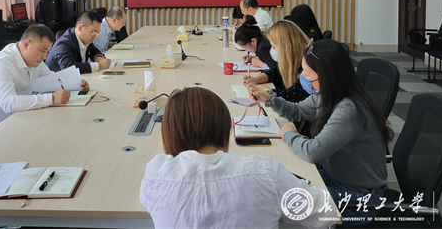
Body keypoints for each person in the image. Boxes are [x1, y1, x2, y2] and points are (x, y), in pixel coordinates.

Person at [140, 87, 336, 229]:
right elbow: (327, 213)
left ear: (171, 134)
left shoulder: (155, 174)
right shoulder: (264, 171)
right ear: (223, 128)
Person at [248, 39, 393, 227]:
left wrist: (289, 134)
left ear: (326, 76)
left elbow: (312, 152)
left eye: (307, 74)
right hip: (332, 179)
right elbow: (297, 111)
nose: (302, 77)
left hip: (358, 199)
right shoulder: (328, 94)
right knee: (273, 187)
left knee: (275, 201)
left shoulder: (348, 109)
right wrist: (270, 99)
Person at [0, 24, 88, 132]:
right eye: (43, 51)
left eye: (47, 52)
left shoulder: (35, 60)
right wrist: (51, 98)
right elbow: (9, 103)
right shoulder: (1, 64)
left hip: (18, 119)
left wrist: (76, 83)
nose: (45, 57)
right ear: (26, 44)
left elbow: (54, 80)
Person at [244, 21, 310, 104]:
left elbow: (293, 96)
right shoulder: (293, 61)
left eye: (274, 47)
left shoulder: (308, 64)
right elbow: (276, 72)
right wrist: (256, 79)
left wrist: (267, 91)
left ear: (285, 46)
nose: (273, 50)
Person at [46, 10, 112, 74]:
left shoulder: (85, 39)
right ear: (80, 28)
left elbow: (94, 50)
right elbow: (68, 67)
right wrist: (98, 66)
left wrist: (98, 57)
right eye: (93, 32)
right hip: (57, 80)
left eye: (97, 33)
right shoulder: (64, 43)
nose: (95, 36)